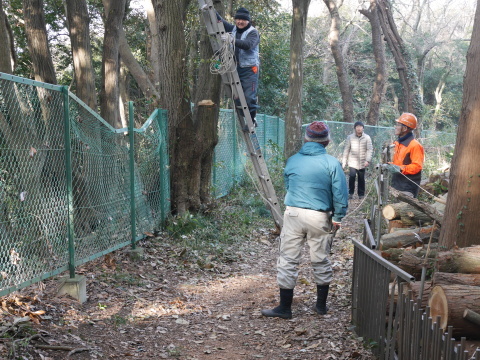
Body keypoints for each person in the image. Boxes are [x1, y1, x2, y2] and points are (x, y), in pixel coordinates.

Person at [261, 121, 348, 319]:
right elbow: (340, 194)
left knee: (288, 259)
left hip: (293, 214)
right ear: (326, 141)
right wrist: (338, 216)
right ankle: (321, 307)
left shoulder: (293, 160)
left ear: (306, 138)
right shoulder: (332, 163)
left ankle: (285, 308)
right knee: (320, 259)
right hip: (320, 216)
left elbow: (288, 184)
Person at [215, 7, 260, 126]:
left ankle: (252, 120)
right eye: (238, 19)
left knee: (249, 96)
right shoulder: (234, 29)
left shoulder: (253, 32)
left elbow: (248, 45)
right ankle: (244, 118)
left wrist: (232, 40)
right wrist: (209, 9)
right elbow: (221, 21)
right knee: (237, 96)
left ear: (248, 21)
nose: (240, 22)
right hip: (235, 67)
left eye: (243, 20)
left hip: (249, 69)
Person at [386, 113, 424, 198]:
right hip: (397, 184)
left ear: (405, 128)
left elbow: (417, 166)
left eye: (398, 125)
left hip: (407, 188)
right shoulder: (397, 143)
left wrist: (400, 169)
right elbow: (398, 162)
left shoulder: (415, 145)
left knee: (404, 210)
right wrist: (389, 165)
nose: (396, 127)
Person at [342, 121, 373, 200]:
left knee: (361, 178)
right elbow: (346, 149)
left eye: (360, 126)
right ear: (355, 128)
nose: (359, 128)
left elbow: (370, 150)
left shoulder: (367, 137)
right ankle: (350, 193)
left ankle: (361, 194)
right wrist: (344, 161)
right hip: (352, 162)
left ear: (363, 128)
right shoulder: (350, 137)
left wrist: (367, 160)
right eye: (357, 126)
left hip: (363, 162)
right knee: (352, 177)